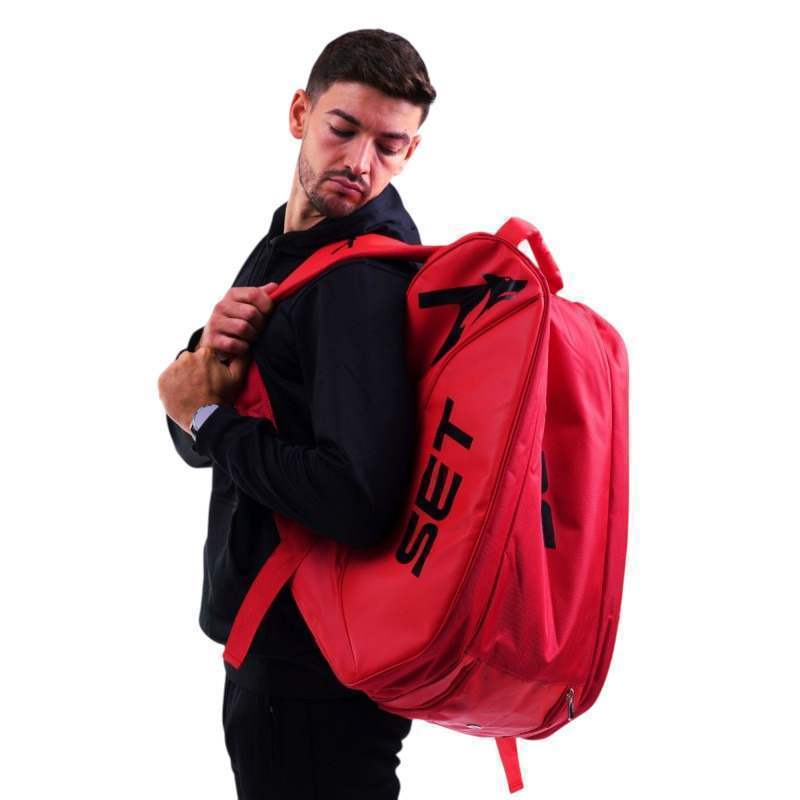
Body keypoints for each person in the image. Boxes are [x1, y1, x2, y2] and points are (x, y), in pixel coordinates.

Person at [156, 28, 436, 800]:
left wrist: (208, 420)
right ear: (299, 114)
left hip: (314, 677)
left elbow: (356, 497)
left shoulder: (358, 281)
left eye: (389, 145)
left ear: (412, 151)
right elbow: (206, 432)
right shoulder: (290, 242)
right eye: (343, 129)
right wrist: (204, 379)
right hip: (284, 658)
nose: (360, 163)